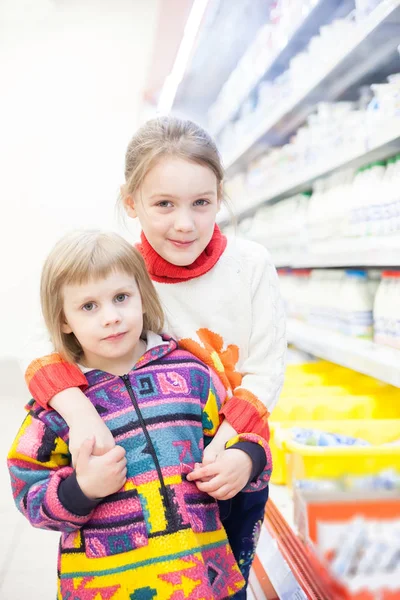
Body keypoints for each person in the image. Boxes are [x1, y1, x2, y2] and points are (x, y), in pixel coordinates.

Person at [24, 117, 286, 594]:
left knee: (227, 582)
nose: (184, 223)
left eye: (201, 203)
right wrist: (79, 411)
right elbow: (47, 354)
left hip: (234, 459)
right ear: (132, 203)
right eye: (164, 204)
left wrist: (234, 452)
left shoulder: (250, 265)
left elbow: (267, 371)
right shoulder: (118, 273)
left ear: (219, 196)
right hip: (141, 480)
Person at [8, 230, 272, 600]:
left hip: (205, 580)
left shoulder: (193, 374)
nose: (111, 317)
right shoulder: (54, 407)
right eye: (88, 307)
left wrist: (246, 459)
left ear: (143, 298)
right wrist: (82, 489)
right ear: (63, 320)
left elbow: (247, 436)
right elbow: (28, 494)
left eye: (121, 297)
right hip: (107, 587)